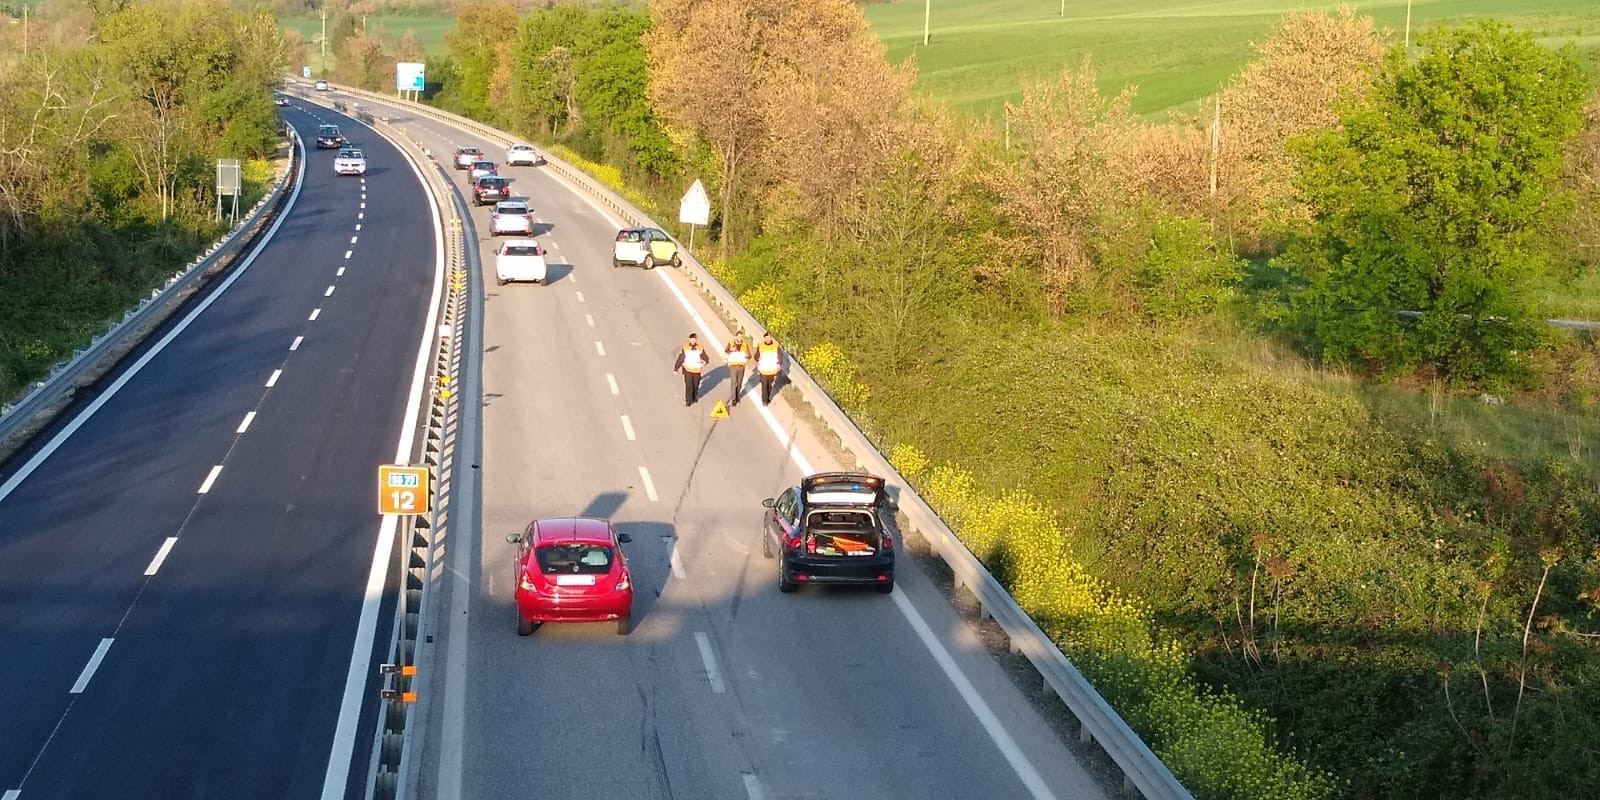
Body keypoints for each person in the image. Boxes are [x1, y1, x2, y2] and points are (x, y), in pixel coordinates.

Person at [672, 333, 710, 406]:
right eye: (692, 339)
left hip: (697, 370)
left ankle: (694, 397)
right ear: (689, 339)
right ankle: (688, 401)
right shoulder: (685, 348)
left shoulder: (700, 348)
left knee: (695, 386)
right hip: (688, 370)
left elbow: (705, 357)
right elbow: (681, 359)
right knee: (689, 385)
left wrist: (706, 361)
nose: (693, 341)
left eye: (694, 339)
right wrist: (676, 368)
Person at [755, 332, 785, 405]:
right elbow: (756, 357)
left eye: (769, 338)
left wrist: (779, 364)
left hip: (772, 370)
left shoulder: (776, 346)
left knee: (769, 385)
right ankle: (764, 401)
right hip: (763, 370)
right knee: (764, 385)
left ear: (771, 338)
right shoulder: (761, 346)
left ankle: (767, 398)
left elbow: (780, 357)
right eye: (766, 338)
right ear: (764, 338)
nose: (768, 339)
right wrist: (758, 358)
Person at [724, 330, 752, 407]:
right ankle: (733, 399)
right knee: (733, 382)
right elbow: (726, 350)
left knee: (739, 383)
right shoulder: (731, 344)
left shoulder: (745, 345)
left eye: (741, 337)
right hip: (733, 366)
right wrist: (731, 350)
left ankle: (737, 395)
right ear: (735, 337)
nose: (740, 338)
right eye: (738, 336)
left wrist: (747, 355)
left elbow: (750, 356)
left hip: (741, 366)